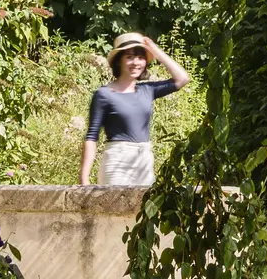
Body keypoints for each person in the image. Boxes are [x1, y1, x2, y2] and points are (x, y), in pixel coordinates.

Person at [80, 32, 190, 186]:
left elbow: (182, 78)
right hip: (117, 161)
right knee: (113, 210)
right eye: (129, 57)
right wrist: (84, 180)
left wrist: (155, 50)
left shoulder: (147, 90)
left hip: (144, 160)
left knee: (143, 210)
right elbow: (92, 137)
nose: (136, 62)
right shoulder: (104, 94)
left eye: (140, 57)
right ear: (119, 61)